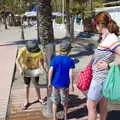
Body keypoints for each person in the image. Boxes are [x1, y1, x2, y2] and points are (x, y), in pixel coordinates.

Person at [87, 11, 120, 120]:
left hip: (100, 79)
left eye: (95, 24)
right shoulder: (106, 37)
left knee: (90, 106)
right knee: (102, 105)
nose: (95, 27)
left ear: (101, 24)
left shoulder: (111, 39)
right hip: (101, 78)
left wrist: (109, 65)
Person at [48, 41, 75, 120]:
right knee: (65, 102)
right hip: (65, 85)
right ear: (69, 50)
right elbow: (71, 73)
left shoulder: (55, 59)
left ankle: (54, 118)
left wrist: (49, 82)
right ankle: (66, 117)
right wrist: (71, 84)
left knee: (55, 101)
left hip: (55, 84)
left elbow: (50, 70)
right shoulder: (70, 60)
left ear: (60, 49)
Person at [16, 40, 46, 110]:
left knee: (36, 84)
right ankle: (26, 100)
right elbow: (17, 60)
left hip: (35, 69)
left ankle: (39, 98)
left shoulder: (39, 50)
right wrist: (20, 68)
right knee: (27, 86)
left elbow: (41, 60)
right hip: (26, 69)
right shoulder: (22, 50)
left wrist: (43, 68)